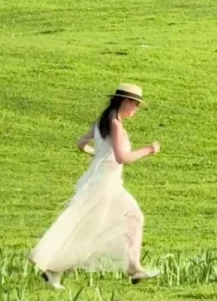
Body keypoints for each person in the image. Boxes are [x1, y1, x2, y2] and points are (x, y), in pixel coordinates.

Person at [29, 83, 161, 288]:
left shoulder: (103, 121)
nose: (136, 110)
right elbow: (122, 157)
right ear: (125, 101)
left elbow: (81, 143)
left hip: (103, 181)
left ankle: (134, 267)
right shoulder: (115, 124)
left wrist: (98, 155)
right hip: (106, 186)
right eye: (135, 105)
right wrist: (148, 150)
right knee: (93, 229)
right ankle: (53, 268)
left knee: (128, 219)